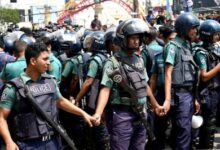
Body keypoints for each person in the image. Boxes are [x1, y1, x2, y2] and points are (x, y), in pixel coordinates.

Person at [0, 42, 95, 150]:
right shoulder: (14, 87)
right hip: (29, 144)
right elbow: (1, 117)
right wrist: (9, 142)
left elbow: (60, 101)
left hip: (53, 142)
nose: (49, 63)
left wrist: (82, 113)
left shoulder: (50, 81)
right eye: (44, 59)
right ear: (33, 61)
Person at [93, 18, 165, 150]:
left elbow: (145, 85)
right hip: (122, 115)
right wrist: (98, 113)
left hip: (141, 113)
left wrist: (155, 105)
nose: (136, 41)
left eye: (138, 37)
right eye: (132, 38)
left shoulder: (139, 60)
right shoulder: (113, 62)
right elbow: (105, 89)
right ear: (123, 39)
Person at [163, 13, 200, 150]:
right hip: (179, 95)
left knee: (187, 132)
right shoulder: (173, 46)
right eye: (192, 28)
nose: (195, 31)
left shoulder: (186, 45)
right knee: (183, 132)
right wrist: (167, 99)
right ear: (184, 28)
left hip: (188, 94)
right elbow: (167, 72)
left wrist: (195, 98)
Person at [193, 20, 220, 149]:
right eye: (215, 34)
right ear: (208, 35)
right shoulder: (200, 52)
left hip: (215, 91)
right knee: (208, 124)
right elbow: (204, 76)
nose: (217, 37)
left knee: (212, 124)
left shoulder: (214, 49)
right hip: (206, 93)